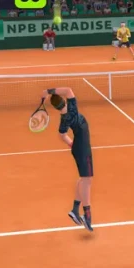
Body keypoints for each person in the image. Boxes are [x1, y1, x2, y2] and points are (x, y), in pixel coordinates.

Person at [42, 87, 94, 232]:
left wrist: (72, 144)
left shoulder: (64, 120)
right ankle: (87, 215)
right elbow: (68, 90)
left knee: (83, 179)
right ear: (63, 101)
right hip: (83, 148)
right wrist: (49, 91)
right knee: (87, 181)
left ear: (56, 107)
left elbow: (62, 135)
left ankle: (75, 210)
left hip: (77, 147)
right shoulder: (72, 107)